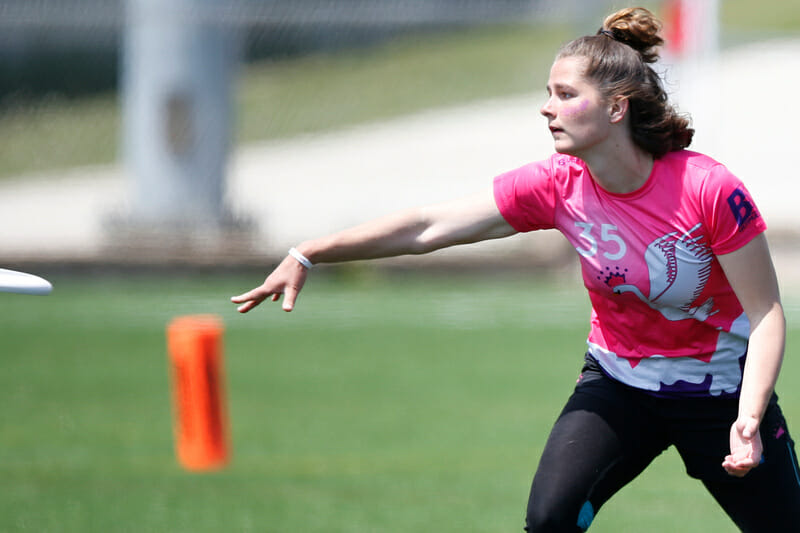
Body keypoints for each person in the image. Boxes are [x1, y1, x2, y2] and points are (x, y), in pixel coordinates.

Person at [231, 7, 800, 532]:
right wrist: (312, 251)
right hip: (620, 383)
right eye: (546, 93)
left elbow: (766, 312)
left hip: (722, 395)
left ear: (615, 107)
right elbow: (427, 226)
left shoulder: (707, 189)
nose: (546, 107)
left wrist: (747, 419)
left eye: (564, 93)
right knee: (548, 521)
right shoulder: (556, 186)